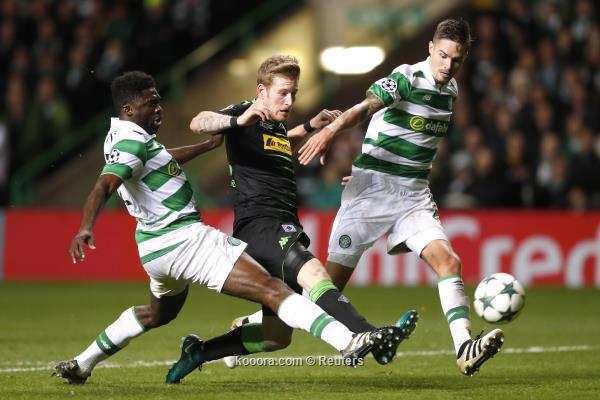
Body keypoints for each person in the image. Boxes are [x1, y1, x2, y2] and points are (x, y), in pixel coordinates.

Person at [53, 71, 403, 385]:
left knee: (157, 314)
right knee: (274, 290)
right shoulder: (134, 141)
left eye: (158, 101)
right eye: (151, 103)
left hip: (153, 249)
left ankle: (82, 364)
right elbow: (105, 184)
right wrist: (85, 228)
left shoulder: (127, 137)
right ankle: (349, 340)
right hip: (185, 239)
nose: (159, 108)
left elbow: (160, 160)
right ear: (129, 109)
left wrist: (205, 148)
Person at [171, 55, 418, 375]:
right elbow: (199, 121)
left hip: (282, 222)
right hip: (260, 225)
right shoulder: (244, 112)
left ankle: (199, 352)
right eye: (283, 93)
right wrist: (237, 120)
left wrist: (310, 127)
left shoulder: (272, 124)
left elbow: (276, 143)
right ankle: (366, 333)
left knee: (276, 337)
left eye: (294, 93)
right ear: (262, 90)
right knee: (314, 272)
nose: (289, 101)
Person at [297, 19, 505, 376]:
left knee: (449, 263)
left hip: (413, 194)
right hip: (371, 193)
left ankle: (464, 348)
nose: (447, 65)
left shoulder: (451, 89)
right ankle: (258, 322)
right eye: (442, 56)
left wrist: (381, 164)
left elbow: (412, 139)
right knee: (325, 291)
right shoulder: (407, 78)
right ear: (430, 48)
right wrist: (331, 132)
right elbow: (366, 107)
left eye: (456, 59)